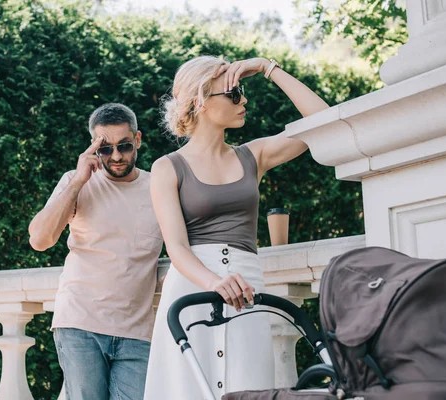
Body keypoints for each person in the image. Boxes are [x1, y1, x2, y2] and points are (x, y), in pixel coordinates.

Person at [143, 56, 329, 399]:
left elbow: (323, 123)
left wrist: (268, 67)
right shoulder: (167, 168)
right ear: (200, 101)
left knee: (249, 388)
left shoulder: (253, 156)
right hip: (193, 291)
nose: (243, 100)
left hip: (247, 294)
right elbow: (177, 248)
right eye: (233, 93)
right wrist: (215, 282)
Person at [29, 103, 163, 400]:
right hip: (80, 324)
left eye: (125, 146)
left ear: (138, 139)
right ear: (93, 148)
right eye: (105, 149)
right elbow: (40, 239)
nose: (116, 156)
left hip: (138, 333)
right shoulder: (75, 183)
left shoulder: (159, 188)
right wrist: (78, 179)